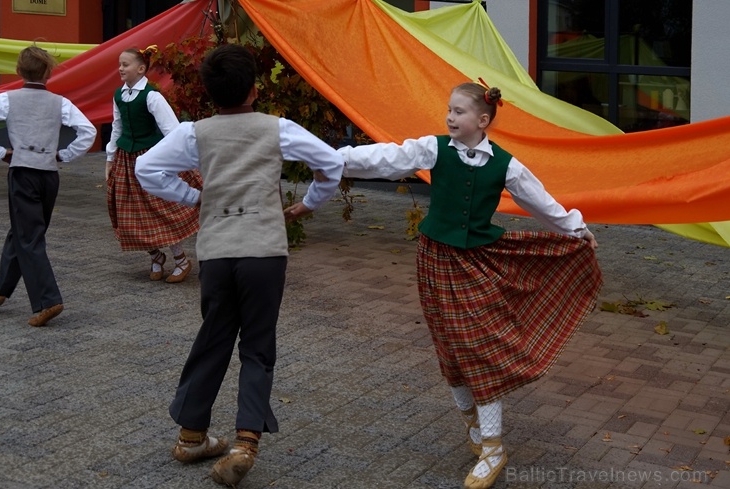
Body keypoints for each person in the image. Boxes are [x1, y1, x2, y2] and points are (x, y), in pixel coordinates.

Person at [336, 83, 603, 489]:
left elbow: (539, 201)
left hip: (479, 262)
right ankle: (473, 425)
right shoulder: (433, 148)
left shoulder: (506, 165)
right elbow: (384, 159)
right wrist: (327, 158)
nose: (449, 117)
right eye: (448, 109)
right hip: (434, 259)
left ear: (482, 121)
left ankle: (493, 446)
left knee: (480, 345)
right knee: (449, 345)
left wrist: (574, 227)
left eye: (459, 111)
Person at [135, 44, 344, 487]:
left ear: (211, 94)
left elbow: (146, 168)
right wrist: (307, 205)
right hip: (264, 250)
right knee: (257, 346)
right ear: (253, 90)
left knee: (213, 337)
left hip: (216, 250)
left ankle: (192, 435)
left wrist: (196, 197)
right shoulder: (277, 128)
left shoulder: (195, 133)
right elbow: (331, 163)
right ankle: (245, 441)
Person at [0, 45, 96, 327]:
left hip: (23, 170)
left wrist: (0, 152)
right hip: (49, 174)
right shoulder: (59, 102)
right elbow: (88, 131)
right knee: (25, 231)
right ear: (48, 72)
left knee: (29, 236)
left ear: (17, 71)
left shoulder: (6, 99)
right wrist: (65, 154)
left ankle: (48, 299)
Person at [106, 46, 201, 283]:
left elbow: (171, 129)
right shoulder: (119, 95)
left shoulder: (151, 96)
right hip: (126, 161)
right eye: (119, 64)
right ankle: (156, 255)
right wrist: (110, 158)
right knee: (131, 213)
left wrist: (177, 160)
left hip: (150, 158)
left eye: (125, 64)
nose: (120, 68)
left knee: (161, 210)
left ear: (141, 68)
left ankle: (181, 260)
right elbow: (116, 128)